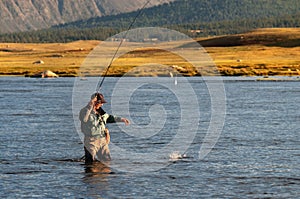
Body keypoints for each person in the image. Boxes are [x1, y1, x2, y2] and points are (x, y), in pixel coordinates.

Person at [79, 93, 130, 164]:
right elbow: (84, 119)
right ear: (95, 102)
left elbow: (110, 118)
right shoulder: (84, 111)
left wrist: (121, 119)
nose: (102, 105)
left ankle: (104, 174)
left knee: (107, 161)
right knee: (90, 163)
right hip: (91, 141)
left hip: (102, 141)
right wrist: (90, 104)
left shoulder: (102, 112)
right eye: (101, 103)